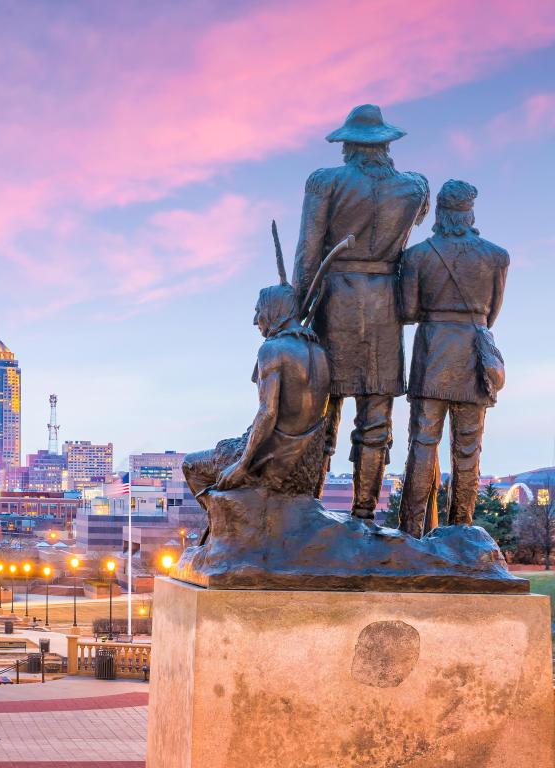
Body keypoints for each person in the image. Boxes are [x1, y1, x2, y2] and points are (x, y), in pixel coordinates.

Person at [293, 104, 430, 520]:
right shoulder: (416, 187)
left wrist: (295, 313)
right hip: (386, 302)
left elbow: (309, 250)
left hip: (336, 300)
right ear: (387, 145)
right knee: (376, 414)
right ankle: (364, 512)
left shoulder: (325, 182)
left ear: (348, 145)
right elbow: (417, 223)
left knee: (321, 409)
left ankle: (308, 507)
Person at [397, 180, 508, 537]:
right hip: (473, 355)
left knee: (422, 443)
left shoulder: (416, 256)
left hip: (432, 354)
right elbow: (491, 314)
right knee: (468, 448)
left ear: (440, 214)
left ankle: (411, 530)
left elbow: (408, 311)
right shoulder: (496, 256)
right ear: (470, 212)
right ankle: (461, 530)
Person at [183, 243, 330, 498]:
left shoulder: (272, 349)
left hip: (272, 460)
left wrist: (241, 465)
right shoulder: (319, 352)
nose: (255, 320)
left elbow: (268, 412)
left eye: (258, 311)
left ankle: (228, 531)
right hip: (305, 465)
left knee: (190, 465)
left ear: (273, 311)